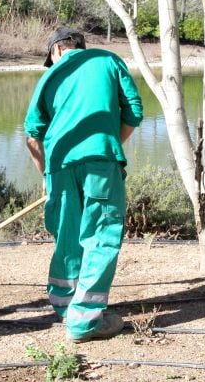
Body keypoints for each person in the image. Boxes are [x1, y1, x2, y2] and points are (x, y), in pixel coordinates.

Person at [24, 27, 143, 341]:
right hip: (100, 162)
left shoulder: (48, 78)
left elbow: (32, 136)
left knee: (68, 236)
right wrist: (109, 144)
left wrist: (46, 177)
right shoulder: (108, 60)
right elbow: (134, 111)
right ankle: (84, 322)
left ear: (56, 51)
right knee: (101, 235)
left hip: (59, 166)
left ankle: (65, 305)